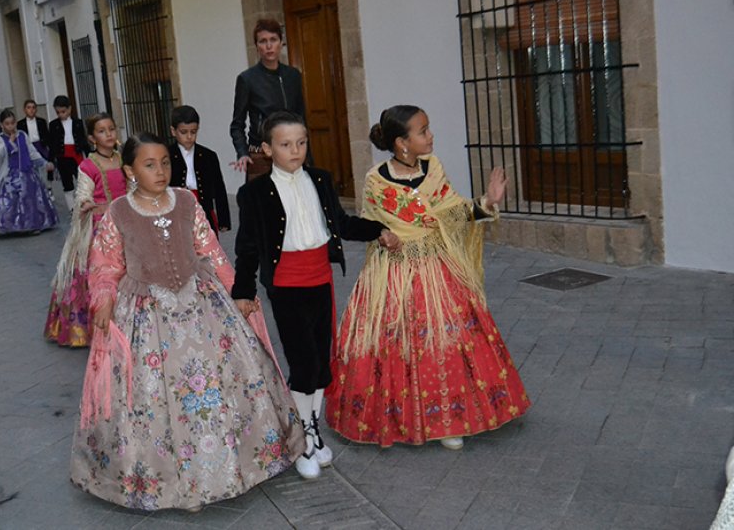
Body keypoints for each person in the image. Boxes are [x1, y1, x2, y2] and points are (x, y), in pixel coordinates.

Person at [70, 132, 304, 511]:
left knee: (218, 387)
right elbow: (105, 265)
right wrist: (103, 299)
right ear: (130, 170)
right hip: (147, 316)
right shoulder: (118, 213)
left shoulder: (185, 201)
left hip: (202, 307)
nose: (160, 171)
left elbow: (209, 248)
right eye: (149, 165)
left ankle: (227, 468)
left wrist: (235, 289)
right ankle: (177, 484)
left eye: (164, 162)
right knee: (158, 400)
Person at [325, 105, 530, 449]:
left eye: (428, 129)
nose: (431, 136)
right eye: (423, 131)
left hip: (437, 269)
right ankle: (395, 416)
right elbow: (370, 222)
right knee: (398, 344)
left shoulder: (433, 169)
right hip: (392, 275)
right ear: (402, 143)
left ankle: (449, 419)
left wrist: (487, 202)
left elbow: (454, 214)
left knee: (445, 343)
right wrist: (381, 234)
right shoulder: (376, 179)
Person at [232, 111, 401, 479]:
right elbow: (246, 247)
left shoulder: (321, 180)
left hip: (320, 280)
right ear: (266, 148)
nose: (296, 150)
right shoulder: (254, 193)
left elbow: (341, 224)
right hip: (287, 285)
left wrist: (379, 230)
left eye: (301, 142)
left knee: (321, 363)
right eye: (285, 144)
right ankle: (301, 438)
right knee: (303, 364)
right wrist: (243, 290)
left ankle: (313, 430)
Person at [45, 113, 127, 348]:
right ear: (92, 138)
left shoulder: (124, 160)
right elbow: (83, 194)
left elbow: (131, 187)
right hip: (99, 228)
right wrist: (85, 204)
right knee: (96, 274)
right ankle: (91, 326)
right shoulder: (88, 165)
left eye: (111, 129)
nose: (109, 134)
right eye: (102, 131)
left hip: (124, 224)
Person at [230, 18, 308, 182]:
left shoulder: (293, 75)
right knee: (263, 205)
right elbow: (237, 124)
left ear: (281, 43)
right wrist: (243, 153)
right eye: (263, 41)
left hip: (291, 150)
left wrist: (307, 153)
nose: (269, 46)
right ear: (257, 46)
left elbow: (301, 118)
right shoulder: (247, 79)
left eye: (273, 40)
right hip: (261, 153)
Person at [0, 109, 59, 234]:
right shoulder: (0, 138)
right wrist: (10, 143)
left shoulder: (22, 135)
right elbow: (1, 155)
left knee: (30, 198)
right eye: (7, 124)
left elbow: (32, 151)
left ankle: (33, 224)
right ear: (2, 125)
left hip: (27, 171)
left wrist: (44, 163)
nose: (11, 126)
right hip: (10, 173)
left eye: (13, 123)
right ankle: (7, 224)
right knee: (10, 199)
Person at [168, 105, 231, 235]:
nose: (189, 137)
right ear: (173, 131)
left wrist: (224, 220)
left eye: (193, 132)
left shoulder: (208, 156)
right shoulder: (166, 155)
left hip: (204, 208)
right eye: (184, 132)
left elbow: (219, 188)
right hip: (176, 211)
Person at [48, 95, 90, 210]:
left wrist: (90, 156)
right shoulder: (53, 125)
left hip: (76, 155)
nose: (61, 114)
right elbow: (52, 144)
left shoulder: (78, 123)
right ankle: (72, 209)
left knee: (82, 181)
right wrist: (50, 160)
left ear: (70, 109)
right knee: (67, 184)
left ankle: (84, 204)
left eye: (63, 111)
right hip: (62, 157)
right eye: (58, 112)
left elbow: (83, 141)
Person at [17, 99, 53, 193]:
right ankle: (36, 189)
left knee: (46, 166)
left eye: (33, 108)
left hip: (41, 145)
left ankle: (48, 187)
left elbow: (47, 135)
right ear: (24, 110)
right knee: (33, 169)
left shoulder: (41, 121)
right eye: (29, 108)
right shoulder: (20, 124)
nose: (31, 110)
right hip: (29, 147)